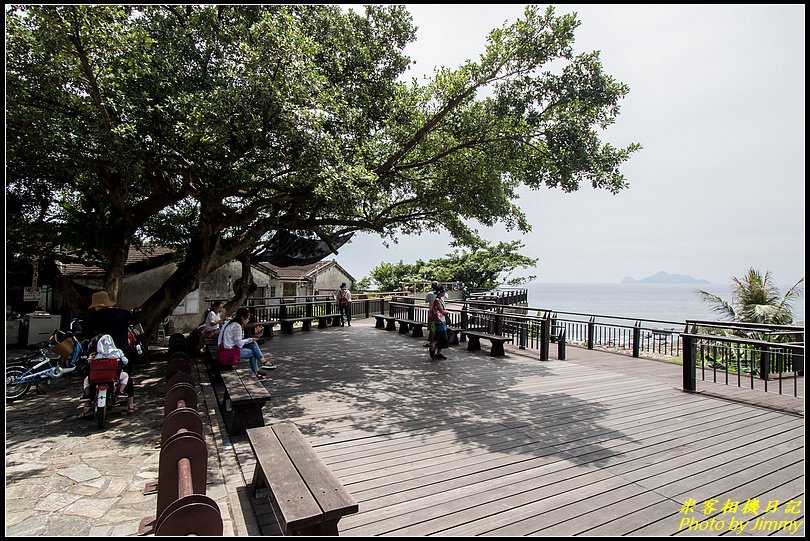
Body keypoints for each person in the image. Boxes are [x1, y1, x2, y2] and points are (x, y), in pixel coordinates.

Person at [83, 290, 137, 415]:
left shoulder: (92, 317)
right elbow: (135, 321)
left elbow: (88, 337)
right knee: (126, 374)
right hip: (120, 353)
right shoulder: (124, 314)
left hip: (98, 355)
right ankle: (130, 405)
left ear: (98, 306)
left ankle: (86, 407)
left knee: (89, 375)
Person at [80, 334, 130, 419]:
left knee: (87, 379)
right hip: (113, 377)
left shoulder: (96, 355)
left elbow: (89, 363)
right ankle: (120, 391)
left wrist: (89, 359)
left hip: (97, 378)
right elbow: (125, 361)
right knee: (125, 376)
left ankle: (87, 394)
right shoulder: (117, 352)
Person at [218, 307, 274, 379]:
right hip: (229, 352)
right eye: (247, 318)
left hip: (225, 347)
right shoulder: (237, 326)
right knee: (253, 353)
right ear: (242, 317)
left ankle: (262, 361)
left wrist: (250, 340)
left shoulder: (230, 323)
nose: (248, 320)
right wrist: (249, 339)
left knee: (253, 344)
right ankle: (257, 371)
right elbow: (239, 344)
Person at [429, 286, 449, 360]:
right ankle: (433, 349)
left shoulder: (441, 299)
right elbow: (442, 311)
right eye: (443, 291)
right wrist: (446, 312)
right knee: (443, 338)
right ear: (440, 292)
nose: (444, 293)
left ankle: (438, 353)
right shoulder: (437, 300)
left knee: (441, 338)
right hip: (439, 321)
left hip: (442, 320)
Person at [424, 281, 439, 349]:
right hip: (439, 312)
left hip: (432, 312)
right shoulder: (440, 293)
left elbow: (426, 301)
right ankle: (434, 341)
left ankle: (431, 342)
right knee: (437, 327)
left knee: (432, 328)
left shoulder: (430, 294)